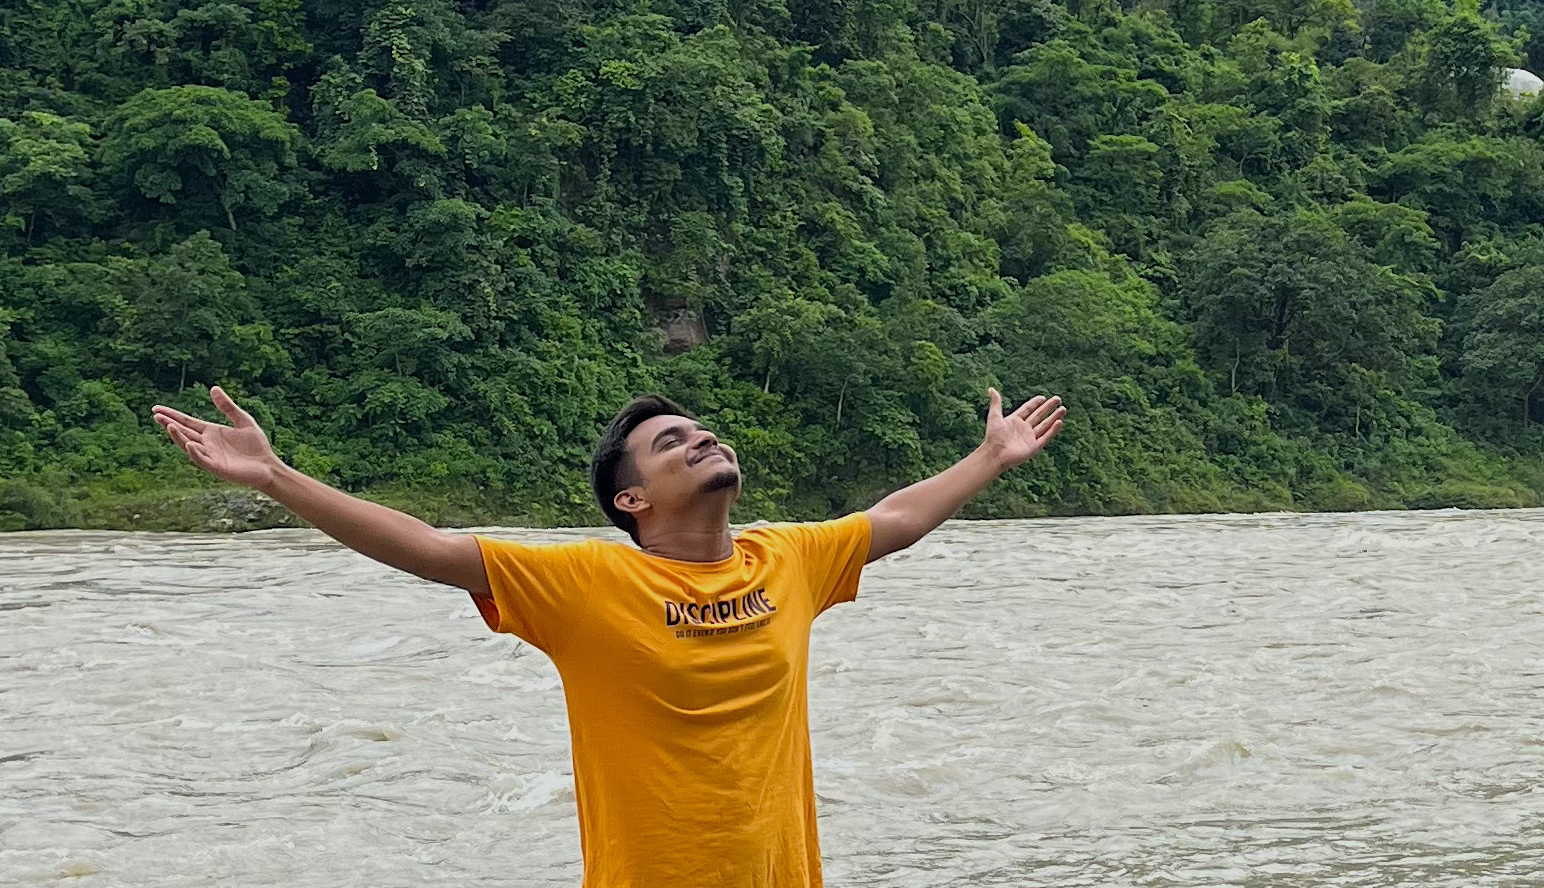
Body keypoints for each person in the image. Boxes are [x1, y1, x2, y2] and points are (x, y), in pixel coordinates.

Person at [153, 379, 1065, 888]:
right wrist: (276, 477)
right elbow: (430, 549)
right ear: (631, 500)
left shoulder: (787, 559)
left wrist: (988, 458)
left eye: (703, 431)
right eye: (674, 443)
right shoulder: (589, 581)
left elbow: (894, 520)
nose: (702, 440)